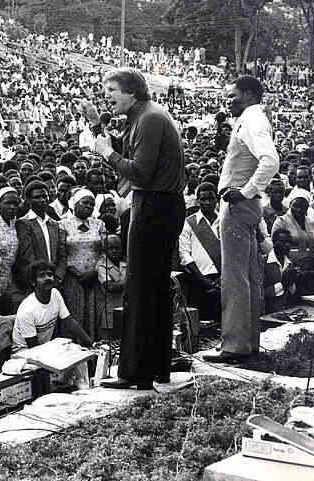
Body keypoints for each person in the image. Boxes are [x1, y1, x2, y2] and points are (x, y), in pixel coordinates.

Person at [91, 68, 186, 389]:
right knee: (155, 291)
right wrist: (97, 127)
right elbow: (132, 151)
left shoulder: (149, 119)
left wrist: (107, 153)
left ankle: (135, 373)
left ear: (132, 91)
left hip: (153, 205)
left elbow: (140, 172)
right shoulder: (146, 115)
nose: (108, 96)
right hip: (159, 205)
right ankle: (157, 368)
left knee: (140, 290)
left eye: (112, 89)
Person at [203, 76, 279, 364]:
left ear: (248, 95)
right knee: (247, 276)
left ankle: (234, 345)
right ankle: (247, 343)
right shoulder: (252, 117)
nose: (228, 101)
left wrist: (245, 190)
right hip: (245, 205)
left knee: (235, 277)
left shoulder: (251, 120)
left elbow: (270, 160)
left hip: (238, 204)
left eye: (232, 96)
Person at [12, 261, 92, 353]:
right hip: (24, 353)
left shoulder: (55, 294)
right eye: (42, 275)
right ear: (33, 282)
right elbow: (33, 348)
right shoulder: (27, 309)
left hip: (43, 348)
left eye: (50, 274)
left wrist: (91, 343)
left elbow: (69, 322)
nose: (47, 278)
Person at [58, 188, 106, 339]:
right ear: (75, 203)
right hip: (72, 279)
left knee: (95, 315)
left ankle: (94, 353)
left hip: (95, 278)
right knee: (73, 314)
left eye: (92, 204)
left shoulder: (99, 224)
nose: (88, 206)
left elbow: (105, 252)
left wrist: (96, 271)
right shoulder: (63, 224)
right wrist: (76, 272)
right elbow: (61, 253)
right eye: (85, 202)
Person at [177, 182, 222, 323]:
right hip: (198, 281)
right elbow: (184, 255)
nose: (207, 202)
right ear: (198, 200)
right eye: (203, 199)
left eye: (211, 198)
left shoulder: (225, 221)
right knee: (201, 325)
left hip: (223, 280)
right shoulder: (188, 223)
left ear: (217, 199)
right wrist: (203, 280)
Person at [14, 180, 66, 291]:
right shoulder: (23, 223)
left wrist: (58, 277)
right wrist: (43, 277)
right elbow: (28, 256)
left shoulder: (54, 224)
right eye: (37, 197)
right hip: (36, 281)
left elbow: (61, 254)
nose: (42, 200)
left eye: (45, 196)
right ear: (28, 200)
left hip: (55, 281)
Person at [96, 234, 127, 337]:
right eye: (110, 248)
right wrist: (130, 282)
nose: (114, 251)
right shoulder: (102, 266)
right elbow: (111, 287)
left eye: (117, 248)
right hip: (109, 315)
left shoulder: (125, 265)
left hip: (125, 312)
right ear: (105, 250)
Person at [263, 228, 298, 313]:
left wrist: (292, 284)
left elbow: (294, 294)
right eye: (282, 242)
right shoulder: (263, 263)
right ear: (273, 242)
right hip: (269, 313)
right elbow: (261, 294)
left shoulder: (291, 263)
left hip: (290, 311)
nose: (286, 245)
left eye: (289, 242)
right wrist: (282, 284)